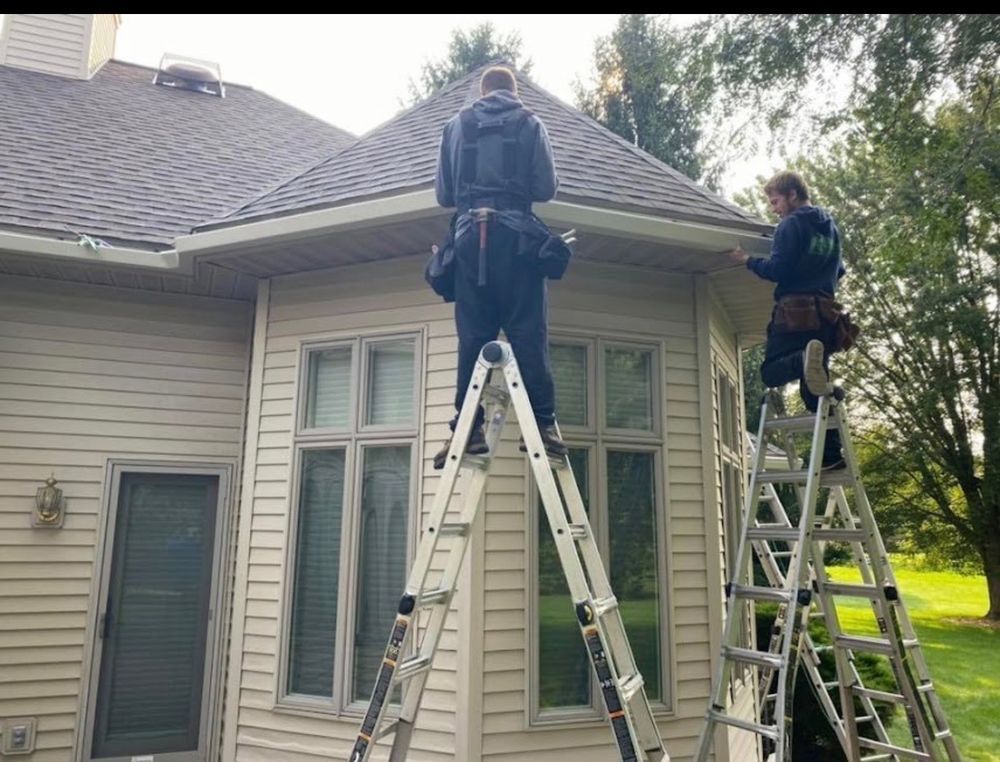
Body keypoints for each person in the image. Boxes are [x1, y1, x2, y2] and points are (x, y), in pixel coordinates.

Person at [431, 65, 568, 470]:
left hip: (470, 241)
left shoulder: (456, 125)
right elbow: (545, 189)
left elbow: (443, 195)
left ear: (482, 91)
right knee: (528, 333)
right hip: (517, 244)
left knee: (472, 338)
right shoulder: (529, 122)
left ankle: (466, 430)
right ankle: (543, 427)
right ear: (514, 92)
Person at [728, 170, 851, 469]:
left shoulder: (790, 225)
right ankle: (832, 455)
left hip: (794, 314)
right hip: (825, 315)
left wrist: (747, 260)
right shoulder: (829, 227)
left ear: (792, 195)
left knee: (770, 373)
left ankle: (802, 360)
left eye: (775, 201)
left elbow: (778, 270)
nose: (774, 209)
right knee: (815, 388)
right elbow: (840, 271)